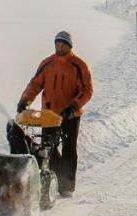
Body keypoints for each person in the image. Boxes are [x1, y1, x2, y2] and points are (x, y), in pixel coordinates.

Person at [16, 30, 93, 196]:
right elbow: (35, 85)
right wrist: (24, 101)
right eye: (57, 43)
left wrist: (73, 107)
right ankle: (56, 179)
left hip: (70, 115)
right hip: (49, 116)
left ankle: (67, 186)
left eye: (63, 44)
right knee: (48, 148)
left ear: (69, 46)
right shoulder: (47, 63)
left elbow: (87, 90)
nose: (59, 46)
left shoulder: (79, 65)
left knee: (69, 148)